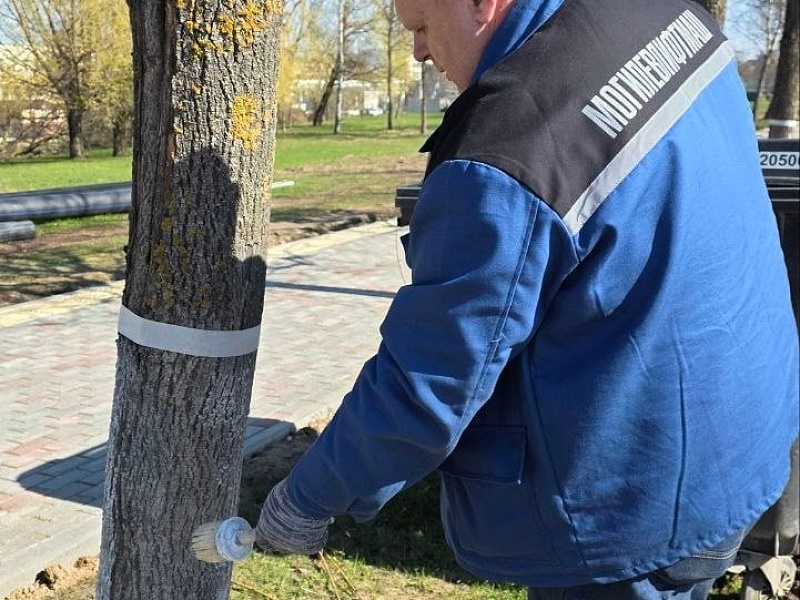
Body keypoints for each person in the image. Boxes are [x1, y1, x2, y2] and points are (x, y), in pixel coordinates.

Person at [255, 0, 800, 598]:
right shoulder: (669, 13)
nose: (418, 51)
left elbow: (426, 384)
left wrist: (307, 499)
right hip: (738, 445)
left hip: (629, 514)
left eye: (421, 28)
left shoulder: (508, 152)